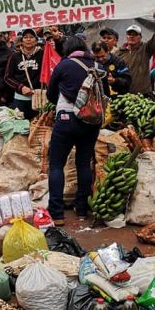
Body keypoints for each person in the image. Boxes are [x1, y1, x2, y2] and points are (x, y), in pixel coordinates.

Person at [47, 36, 108, 225]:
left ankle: (57, 214)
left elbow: (50, 94)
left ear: (68, 49)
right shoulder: (98, 67)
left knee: (57, 164)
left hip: (66, 119)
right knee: (83, 163)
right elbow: (104, 95)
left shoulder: (64, 65)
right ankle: (81, 209)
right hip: (91, 122)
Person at [118, 7, 155, 95]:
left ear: (140, 37)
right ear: (126, 36)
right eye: (129, 34)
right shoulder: (119, 53)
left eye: (135, 34)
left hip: (143, 96)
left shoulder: (145, 49)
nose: (131, 36)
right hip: (124, 96)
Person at [4, 28, 44, 120]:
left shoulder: (43, 54)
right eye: (25, 37)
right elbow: (7, 77)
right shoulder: (14, 56)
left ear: (36, 40)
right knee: (20, 126)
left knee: (38, 127)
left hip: (39, 98)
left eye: (31, 37)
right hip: (20, 99)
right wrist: (21, 87)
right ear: (21, 41)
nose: (28, 39)